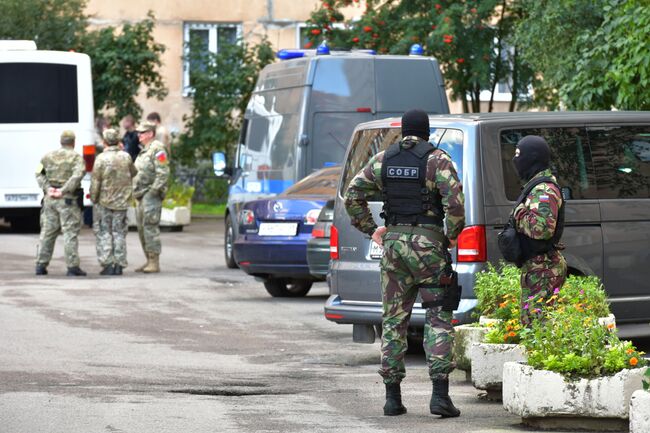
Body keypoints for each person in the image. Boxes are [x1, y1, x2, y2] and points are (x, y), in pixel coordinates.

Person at [344, 109, 465, 417]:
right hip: (429, 247)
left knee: (394, 320)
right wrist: (450, 236)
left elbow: (352, 195)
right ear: (426, 132)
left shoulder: (384, 160)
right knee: (438, 318)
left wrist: (372, 229)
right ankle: (439, 396)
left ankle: (392, 398)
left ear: (402, 131)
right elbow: (454, 203)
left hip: (394, 248)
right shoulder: (438, 160)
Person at [511, 135, 567, 326]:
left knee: (538, 327)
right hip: (537, 268)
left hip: (544, 270)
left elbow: (542, 229)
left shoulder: (544, 190)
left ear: (532, 159)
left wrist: (518, 214)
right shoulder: (535, 186)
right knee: (532, 325)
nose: (515, 161)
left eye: (519, 156)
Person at [35, 130, 87, 276]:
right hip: (68, 200)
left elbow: (38, 173)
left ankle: (40, 265)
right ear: (73, 142)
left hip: (50, 199)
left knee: (47, 232)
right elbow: (77, 176)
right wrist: (63, 191)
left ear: (61, 141)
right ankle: (72, 267)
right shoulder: (77, 158)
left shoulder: (47, 156)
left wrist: (48, 188)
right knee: (70, 233)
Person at [90, 128, 137, 276]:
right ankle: (119, 264)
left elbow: (96, 182)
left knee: (105, 232)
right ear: (119, 142)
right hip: (122, 202)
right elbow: (134, 172)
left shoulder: (101, 159)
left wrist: (93, 198)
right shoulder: (126, 157)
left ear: (104, 142)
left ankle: (108, 264)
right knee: (119, 232)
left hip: (105, 202)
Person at [133, 120, 170, 273]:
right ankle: (148, 259)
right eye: (139, 133)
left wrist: (153, 191)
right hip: (141, 194)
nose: (139, 135)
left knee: (150, 228)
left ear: (150, 134)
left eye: (142, 133)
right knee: (142, 229)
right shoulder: (144, 150)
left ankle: (154, 262)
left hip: (150, 194)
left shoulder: (158, 149)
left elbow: (163, 173)